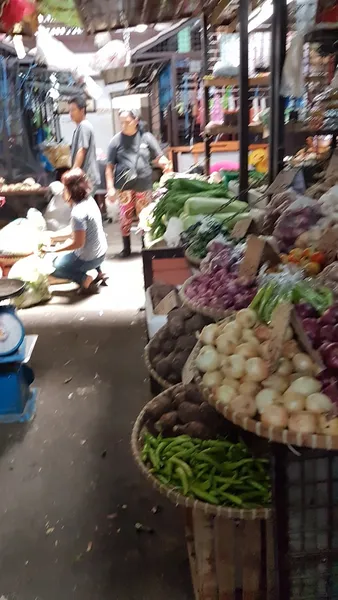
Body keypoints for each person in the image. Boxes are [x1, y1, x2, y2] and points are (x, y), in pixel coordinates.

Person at [105, 109, 171, 258]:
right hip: (123, 186)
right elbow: (109, 168)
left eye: (127, 122)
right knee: (125, 217)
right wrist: (110, 187)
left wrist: (165, 163)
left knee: (144, 216)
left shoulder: (146, 138)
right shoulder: (116, 141)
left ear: (136, 121)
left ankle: (145, 246)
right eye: (121, 122)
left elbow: (159, 156)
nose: (123, 125)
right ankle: (126, 247)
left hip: (143, 184)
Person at [45, 169, 108, 294]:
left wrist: (53, 250)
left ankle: (85, 280)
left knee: (53, 266)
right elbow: (76, 231)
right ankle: (99, 272)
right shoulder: (89, 200)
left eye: (64, 188)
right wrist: (54, 237)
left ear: (71, 190)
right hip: (102, 253)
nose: (63, 192)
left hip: (90, 258)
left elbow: (77, 243)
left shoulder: (78, 212)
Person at [69, 96, 100, 194]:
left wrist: (72, 173)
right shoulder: (80, 127)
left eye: (73, 110)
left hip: (87, 178)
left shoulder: (84, 126)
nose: (70, 113)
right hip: (85, 177)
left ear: (82, 110)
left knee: (84, 207)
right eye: (69, 110)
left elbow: (81, 151)